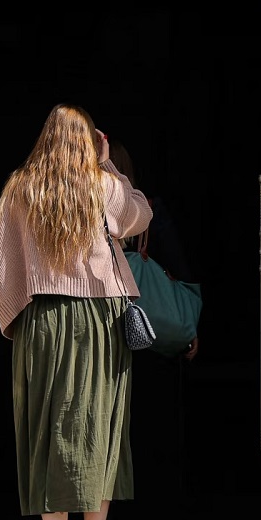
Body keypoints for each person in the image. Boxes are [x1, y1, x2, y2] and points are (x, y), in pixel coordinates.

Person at [0, 104, 153, 520]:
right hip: (102, 320)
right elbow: (141, 216)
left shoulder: (19, 188)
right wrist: (108, 163)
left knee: (46, 423)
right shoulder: (104, 185)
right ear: (91, 142)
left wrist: (34, 268)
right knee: (102, 421)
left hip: (43, 319)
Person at [108, 138, 199, 361]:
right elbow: (177, 267)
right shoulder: (148, 210)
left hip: (107, 327)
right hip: (150, 331)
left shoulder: (88, 217)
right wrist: (188, 324)